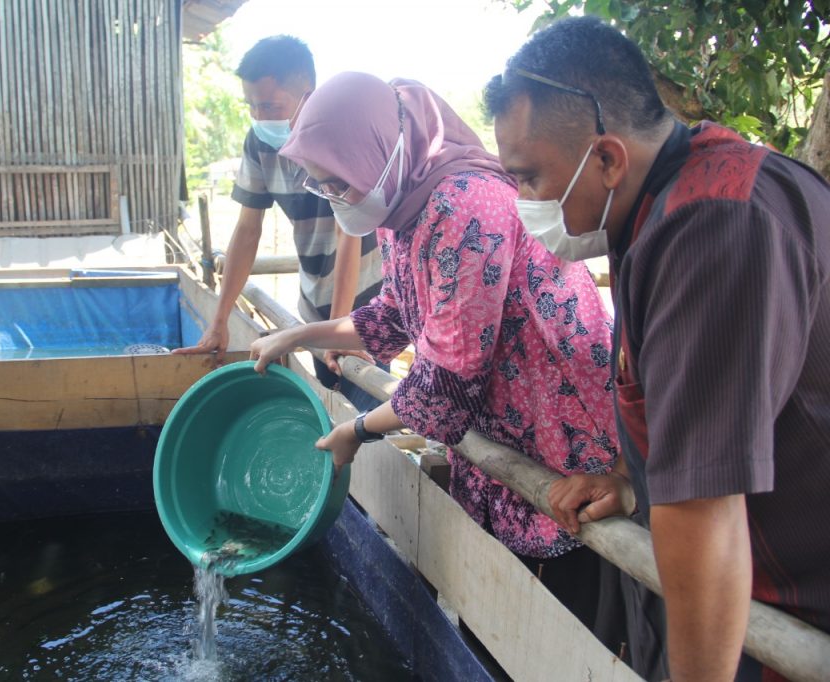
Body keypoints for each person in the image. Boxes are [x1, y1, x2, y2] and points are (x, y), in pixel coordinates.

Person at [485, 16, 830, 682]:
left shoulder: (714, 225)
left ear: (608, 157)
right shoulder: (650, 205)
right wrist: (627, 478)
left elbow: (705, 508)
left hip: (797, 608)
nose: (521, 201)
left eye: (528, 177)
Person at [249, 71, 632, 643]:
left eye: (339, 184)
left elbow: (446, 379)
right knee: (497, 624)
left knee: (561, 632)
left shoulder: (464, 207)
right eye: (324, 187)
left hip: (565, 433)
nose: (335, 200)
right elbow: (395, 316)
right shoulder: (407, 209)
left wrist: (357, 428)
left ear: (383, 153)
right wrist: (301, 334)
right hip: (509, 432)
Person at [174, 36, 383, 410]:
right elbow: (247, 229)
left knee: (363, 413)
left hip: (365, 303)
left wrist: (339, 325)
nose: (258, 116)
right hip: (315, 299)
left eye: (269, 105)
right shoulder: (259, 144)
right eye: (251, 105)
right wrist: (219, 319)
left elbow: (348, 232)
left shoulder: (336, 136)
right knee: (330, 406)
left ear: (307, 92)